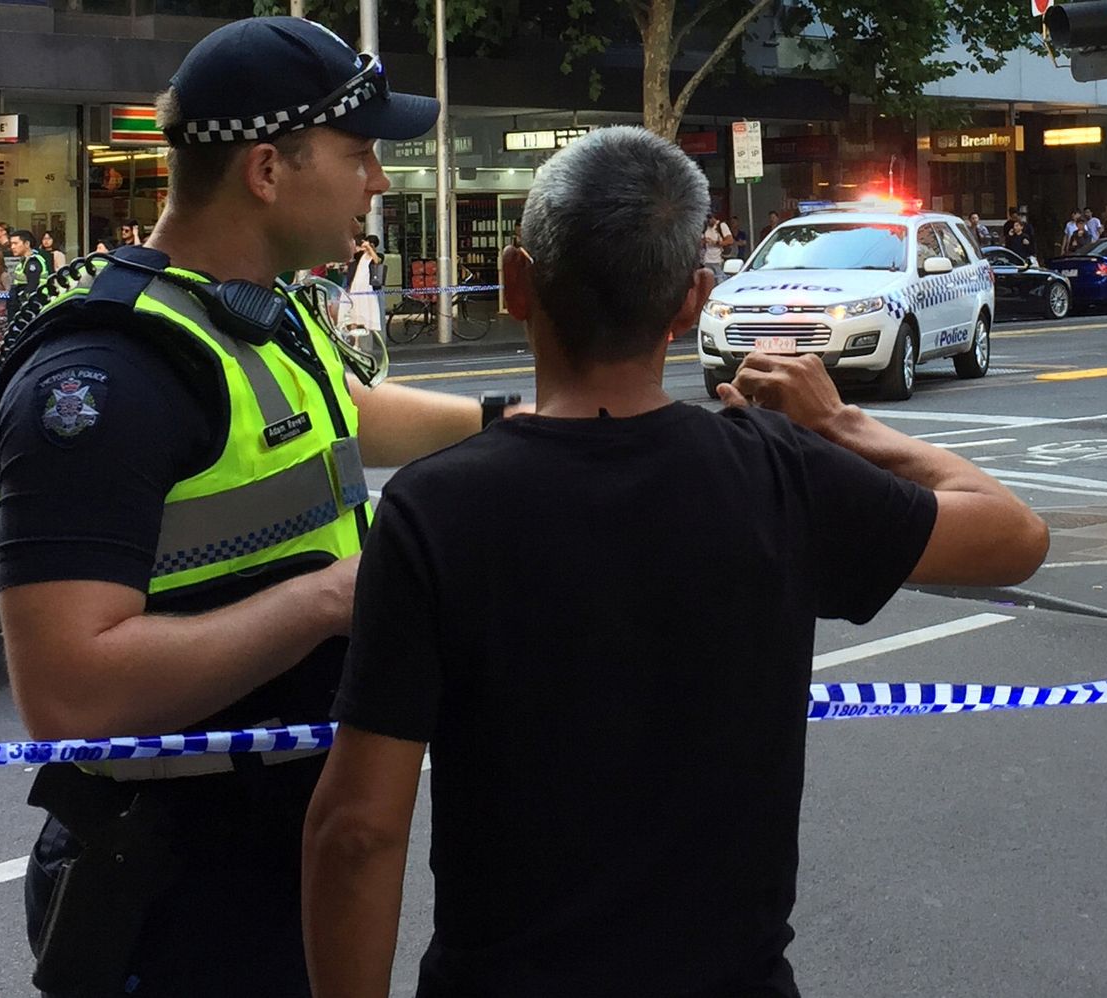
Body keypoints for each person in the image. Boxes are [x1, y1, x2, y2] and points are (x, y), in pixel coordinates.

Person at [300, 125, 1049, 997]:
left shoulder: (435, 510)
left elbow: (357, 830)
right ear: (692, 302)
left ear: (515, 285)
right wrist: (844, 424)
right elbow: (1014, 535)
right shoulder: (778, 473)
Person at [0, 17, 524, 996]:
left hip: (277, 844)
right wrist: (333, 598)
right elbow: (68, 689)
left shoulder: (259, 311)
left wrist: (521, 424)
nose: (377, 179)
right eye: (358, 153)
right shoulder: (105, 376)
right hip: (175, 886)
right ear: (268, 170)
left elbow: (351, 413)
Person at [338, 233, 385, 337]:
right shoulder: (360, 256)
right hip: (355, 285)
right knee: (353, 312)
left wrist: (368, 247)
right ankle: (355, 340)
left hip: (365, 287)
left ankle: (364, 338)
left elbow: (377, 260)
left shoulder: (376, 256)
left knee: (364, 311)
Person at [5, 229, 47, 310]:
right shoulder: (24, 261)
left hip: (31, 306)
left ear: (27, 244)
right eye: (11, 244)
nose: (12, 247)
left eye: (15, 243)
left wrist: (24, 304)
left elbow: (32, 287)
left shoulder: (32, 262)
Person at [702, 209, 734, 275]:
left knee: (720, 278)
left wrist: (716, 243)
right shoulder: (705, 227)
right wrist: (704, 241)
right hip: (707, 259)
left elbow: (730, 240)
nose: (708, 222)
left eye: (710, 219)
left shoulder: (721, 226)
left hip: (718, 259)